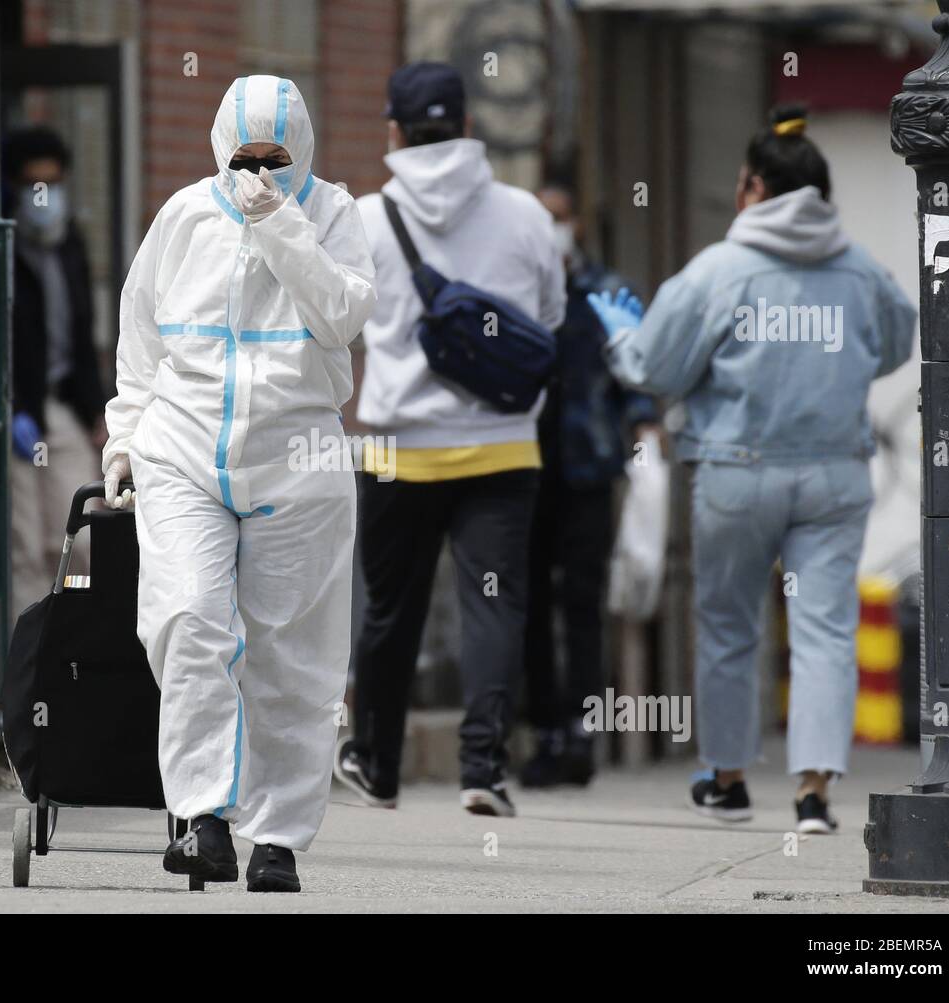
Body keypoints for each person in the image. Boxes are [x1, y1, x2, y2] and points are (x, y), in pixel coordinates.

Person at [590, 105, 916, 834]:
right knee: (826, 630)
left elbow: (656, 367)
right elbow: (894, 345)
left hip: (736, 472)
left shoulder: (718, 271)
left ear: (754, 189)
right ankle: (813, 796)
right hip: (835, 474)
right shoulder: (861, 269)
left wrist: (622, 338)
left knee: (728, 625)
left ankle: (729, 779)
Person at [101, 76, 375, 891]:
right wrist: (124, 438)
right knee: (188, 619)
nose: (259, 172)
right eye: (245, 158)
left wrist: (280, 224)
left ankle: (278, 836)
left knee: (292, 652)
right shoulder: (183, 217)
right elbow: (139, 341)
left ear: (305, 155)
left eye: (276, 159)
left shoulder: (332, 215)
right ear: (222, 149)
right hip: (183, 449)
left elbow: (343, 314)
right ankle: (202, 815)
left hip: (297, 458)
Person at [334, 62, 566, 818]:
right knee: (494, 607)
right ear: (468, 126)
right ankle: (483, 768)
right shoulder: (526, 213)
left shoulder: (362, 220)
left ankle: (375, 764)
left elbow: (337, 324)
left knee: (387, 612)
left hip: (397, 444)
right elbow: (552, 319)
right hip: (502, 445)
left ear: (394, 132)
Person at [519, 182, 660, 789]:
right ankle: (543, 729)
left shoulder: (606, 292)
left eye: (561, 216)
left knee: (582, 602)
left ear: (577, 222)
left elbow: (639, 373)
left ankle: (580, 730)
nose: (554, 228)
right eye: (543, 217)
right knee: (525, 604)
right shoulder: (515, 290)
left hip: (588, 469)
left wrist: (645, 430)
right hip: (522, 469)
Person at [3, 126, 109, 617]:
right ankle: (28, 668)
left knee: (79, 534)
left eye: (54, 182)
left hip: (63, 407)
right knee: (26, 548)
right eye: (32, 185)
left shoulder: (70, 246)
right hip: (15, 414)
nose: (44, 196)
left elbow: (83, 334)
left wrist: (97, 410)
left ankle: (74, 650)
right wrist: (8, 407)